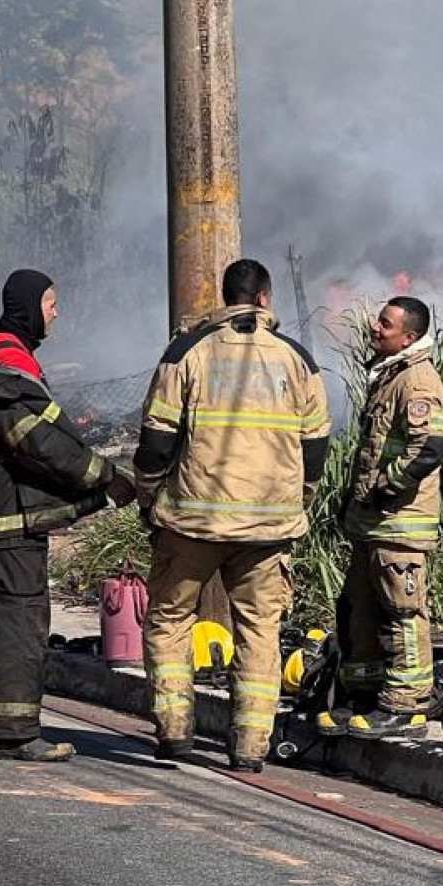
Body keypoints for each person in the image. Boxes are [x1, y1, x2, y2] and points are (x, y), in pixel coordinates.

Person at [133, 259, 329, 771]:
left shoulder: (187, 352)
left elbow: (156, 441)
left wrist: (149, 497)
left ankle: (175, 730)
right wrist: (300, 498)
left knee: (171, 618)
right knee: (260, 630)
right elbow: (317, 447)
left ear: (225, 298)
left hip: (192, 523)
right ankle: (249, 746)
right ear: (265, 298)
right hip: (269, 528)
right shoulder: (297, 359)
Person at [0, 270, 135, 761]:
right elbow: (42, 444)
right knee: (19, 619)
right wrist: (104, 477)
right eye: (50, 303)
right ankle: (14, 734)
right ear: (30, 306)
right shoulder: (11, 365)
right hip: (12, 517)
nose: (56, 312)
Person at [322, 295, 443, 739]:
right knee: (359, 607)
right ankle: (363, 696)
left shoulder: (416, 380)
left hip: (399, 524)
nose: (376, 328)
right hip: (371, 523)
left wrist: (383, 487)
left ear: (409, 336)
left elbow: (429, 447)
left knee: (403, 612)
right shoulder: (388, 376)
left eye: (386, 324)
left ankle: (406, 706)